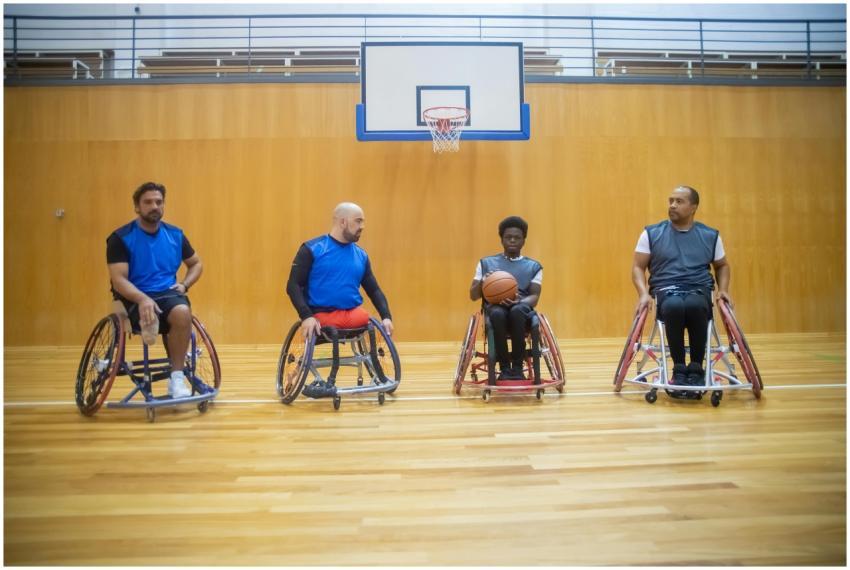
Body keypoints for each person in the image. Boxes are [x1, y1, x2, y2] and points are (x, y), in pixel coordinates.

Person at [632, 185, 732, 396]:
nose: (673, 205)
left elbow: (722, 265)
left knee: (696, 306)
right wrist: (643, 293)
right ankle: (678, 367)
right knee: (676, 306)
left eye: (679, 201)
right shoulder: (652, 233)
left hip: (698, 290)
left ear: (693, 207)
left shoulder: (710, 235)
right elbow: (638, 267)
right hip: (666, 290)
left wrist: (724, 289)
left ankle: (696, 367)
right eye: (671, 201)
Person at [286, 202, 394, 398]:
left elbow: (374, 289)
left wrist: (386, 316)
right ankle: (305, 373)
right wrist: (306, 316)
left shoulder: (361, 255)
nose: (362, 226)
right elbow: (292, 286)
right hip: (321, 315)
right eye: (358, 221)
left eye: (363, 221)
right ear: (343, 222)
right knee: (343, 322)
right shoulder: (312, 249)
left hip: (351, 315)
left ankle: (376, 370)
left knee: (368, 320)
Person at [106, 181, 203, 398]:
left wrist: (185, 284)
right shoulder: (120, 238)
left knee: (182, 313)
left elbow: (196, 263)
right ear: (137, 207)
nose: (154, 206)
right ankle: (150, 324)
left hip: (166, 293)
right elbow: (119, 279)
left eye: (159, 202)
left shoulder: (175, 235)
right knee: (149, 309)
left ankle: (176, 380)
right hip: (132, 296)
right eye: (148, 202)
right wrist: (142, 299)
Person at [469, 216, 543, 380]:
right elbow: (473, 296)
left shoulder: (534, 266)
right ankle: (504, 368)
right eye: (508, 237)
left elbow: (535, 297)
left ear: (524, 240)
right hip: (495, 308)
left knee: (517, 311)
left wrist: (519, 301)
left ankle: (517, 368)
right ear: (501, 239)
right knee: (497, 313)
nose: (512, 240)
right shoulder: (486, 263)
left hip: (521, 307)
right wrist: (483, 282)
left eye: (517, 237)